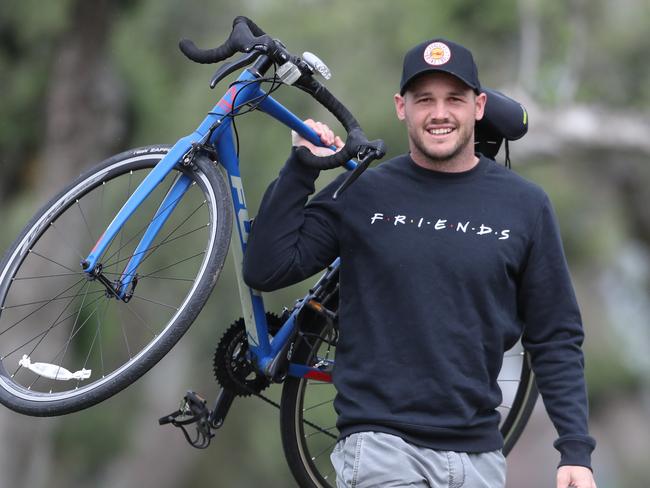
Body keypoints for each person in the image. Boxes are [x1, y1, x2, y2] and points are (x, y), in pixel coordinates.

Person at [243, 38, 597, 488]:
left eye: (454, 99)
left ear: (479, 105)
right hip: (381, 449)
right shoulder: (364, 194)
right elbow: (267, 268)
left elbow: (556, 335)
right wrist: (301, 167)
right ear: (401, 107)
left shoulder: (525, 206)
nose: (439, 113)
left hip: (481, 460)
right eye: (424, 100)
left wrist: (576, 452)